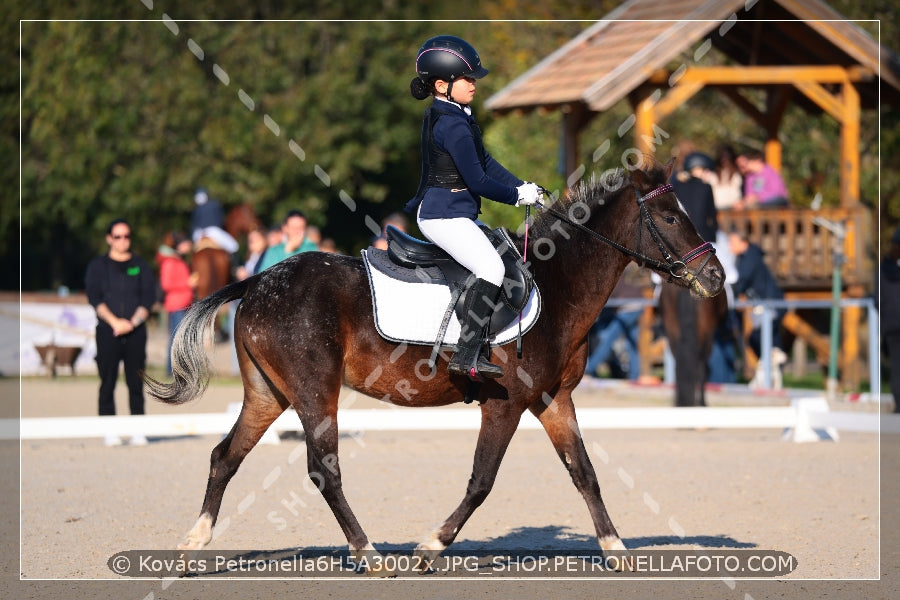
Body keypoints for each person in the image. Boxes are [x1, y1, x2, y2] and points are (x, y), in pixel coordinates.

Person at [405, 35, 541, 381]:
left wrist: (520, 185)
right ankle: (466, 355)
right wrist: (514, 197)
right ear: (441, 84)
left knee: (497, 257)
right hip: (443, 216)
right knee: (492, 269)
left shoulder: (454, 114)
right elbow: (479, 181)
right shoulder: (452, 124)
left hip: (453, 213)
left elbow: (487, 162)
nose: (474, 84)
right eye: (467, 79)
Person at [85, 218, 157, 446]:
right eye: (118, 236)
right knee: (107, 381)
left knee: (136, 382)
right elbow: (94, 297)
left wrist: (132, 323)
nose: (123, 240)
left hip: (135, 332)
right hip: (108, 330)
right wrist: (115, 322)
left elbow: (148, 298)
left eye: (126, 236)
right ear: (109, 239)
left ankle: (138, 429)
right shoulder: (98, 266)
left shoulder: (141, 265)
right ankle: (110, 429)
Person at [728, 230, 787, 384]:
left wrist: (732, 295)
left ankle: (769, 378)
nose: (729, 246)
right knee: (763, 341)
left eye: (732, 243)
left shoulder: (750, 258)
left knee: (762, 340)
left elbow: (741, 281)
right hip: (765, 306)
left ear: (743, 242)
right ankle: (768, 376)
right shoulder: (747, 256)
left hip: (769, 306)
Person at [584, 265, 644, 381]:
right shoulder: (616, 277)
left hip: (629, 309)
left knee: (608, 339)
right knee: (632, 343)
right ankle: (635, 376)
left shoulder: (608, 281)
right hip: (638, 305)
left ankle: (589, 369)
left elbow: (605, 300)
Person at [156, 232, 197, 376]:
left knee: (180, 338)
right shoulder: (170, 262)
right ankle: (171, 370)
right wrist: (187, 284)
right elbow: (166, 284)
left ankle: (178, 370)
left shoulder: (179, 260)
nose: (189, 245)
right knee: (176, 338)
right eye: (186, 243)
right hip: (176, 305)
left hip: (184, 304)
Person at [670, 151, 718, 242]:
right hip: (704, 234)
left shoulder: (677, 186)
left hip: (683, 233)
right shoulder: (706, 187)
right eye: (705, 170)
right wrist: (713, 232)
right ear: (700, 169)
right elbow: (712, 214)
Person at [880, 227, 900, 412]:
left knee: (896, 367)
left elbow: (877, 299)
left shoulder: (883, 269)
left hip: (892, 325)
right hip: (893, 325)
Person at [190, 187, 239, 253]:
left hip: (199, 234)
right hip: (214, 232)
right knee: (234, 246)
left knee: (191, 251)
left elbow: (193, 225)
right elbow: (221, 220)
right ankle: (236, 263)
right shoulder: (215, 204)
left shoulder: (195, 209)